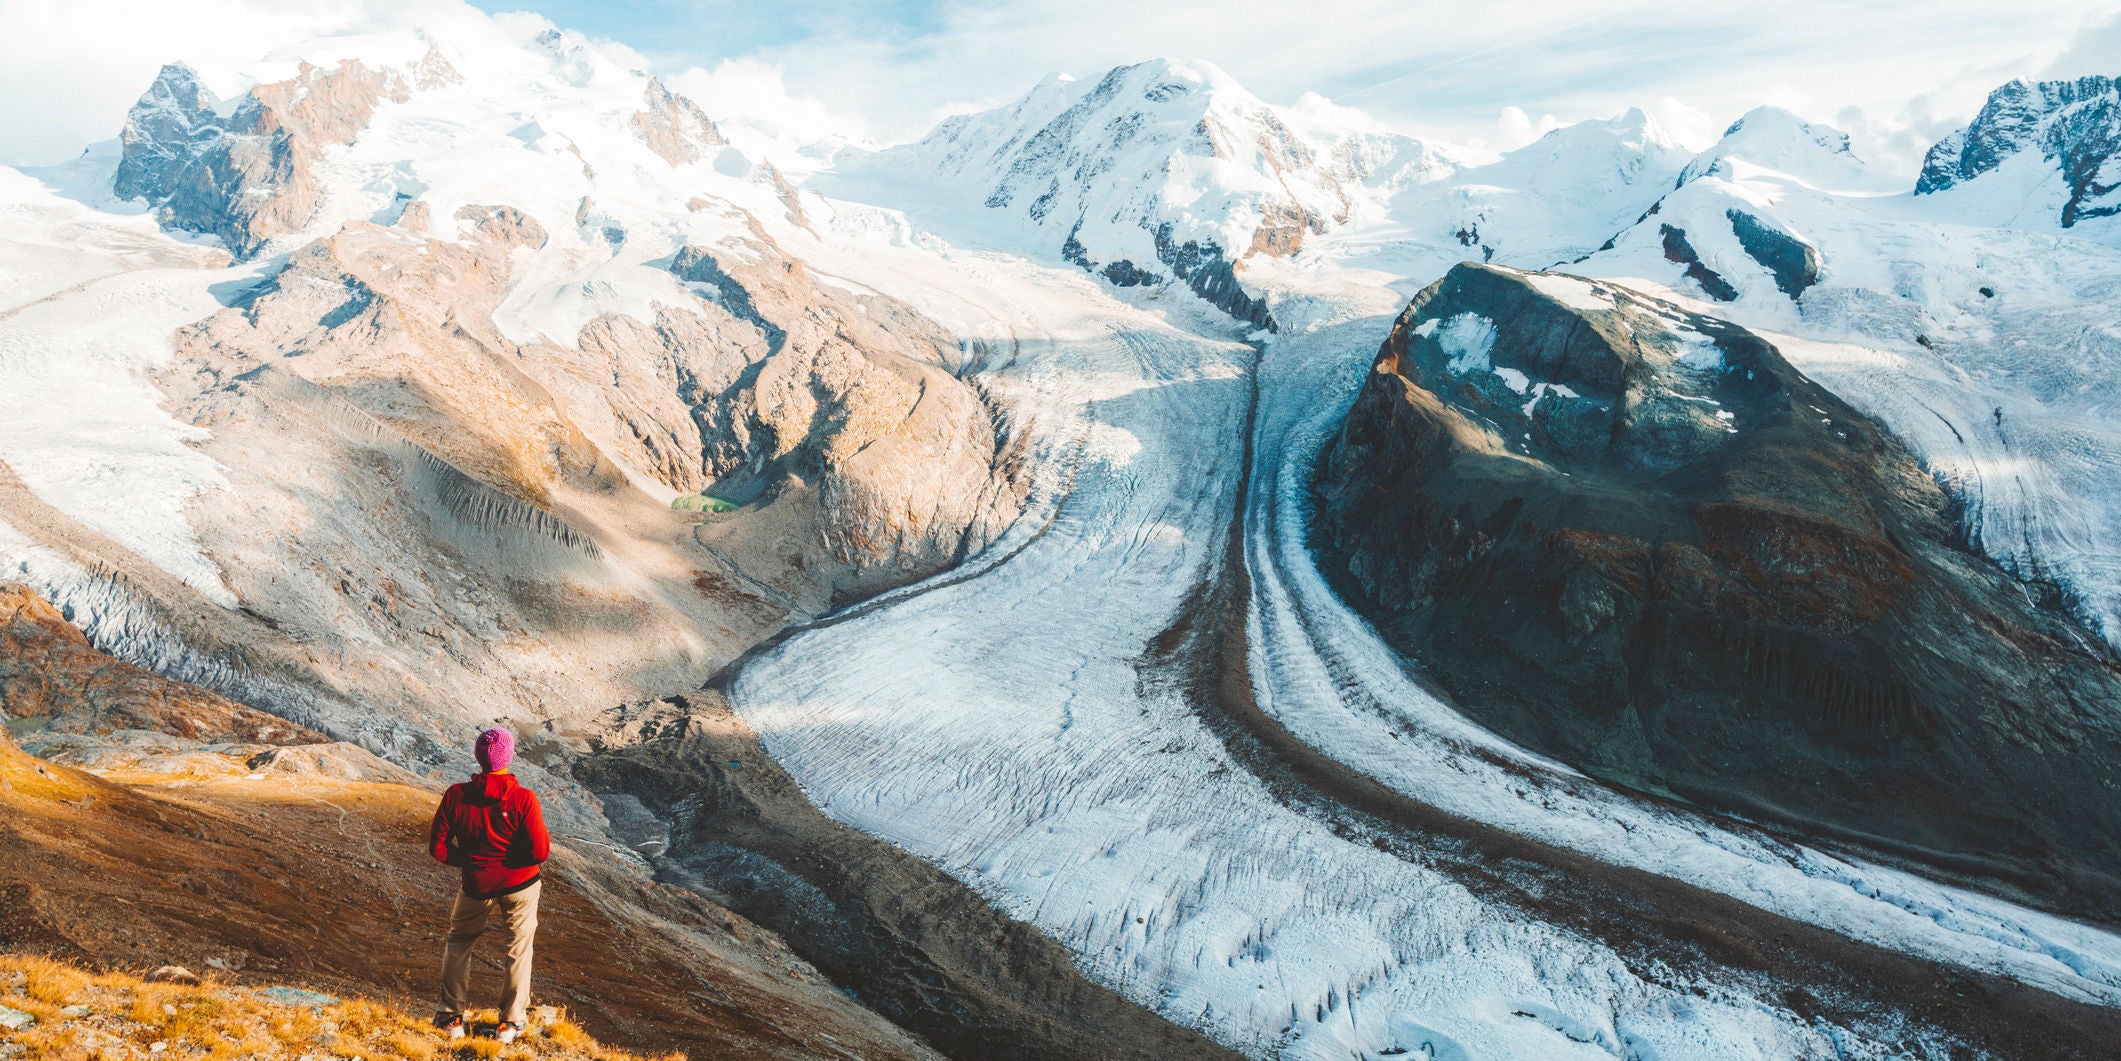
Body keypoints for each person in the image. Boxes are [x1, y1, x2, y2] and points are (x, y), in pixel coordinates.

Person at [428, 727, 550, 1043]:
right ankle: (511, 1023)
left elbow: (438, 848)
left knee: (459, 943)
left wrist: (471, 861)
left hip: (476, 884)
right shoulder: (524, 799)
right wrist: (511, 860)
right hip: (521, 884)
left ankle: (449, 1018)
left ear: (478, 757)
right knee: (518, 948)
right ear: (508, 757)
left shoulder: (456, 796)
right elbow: (540, 852)